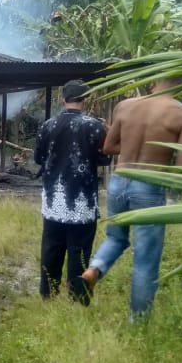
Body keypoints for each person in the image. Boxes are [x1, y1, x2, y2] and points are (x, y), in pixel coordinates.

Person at [81, 76, 182, 319]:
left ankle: (93, 270)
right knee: (146, 258)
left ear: (153, 81)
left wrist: (132, 147)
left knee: (116, 238)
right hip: (148, 186)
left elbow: (108, 147)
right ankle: (138, 323)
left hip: (119, 181)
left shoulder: (125, 106)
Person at [34, 79, 111, 305]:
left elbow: (39, 158)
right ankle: (78, 299)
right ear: (85, 100)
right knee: (79, 252)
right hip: (82, 201)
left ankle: (48, 296)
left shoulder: (48, 125)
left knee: (51, 249)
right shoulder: (95, 126)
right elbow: (105, 158)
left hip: (53, 201)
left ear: (62, 99)